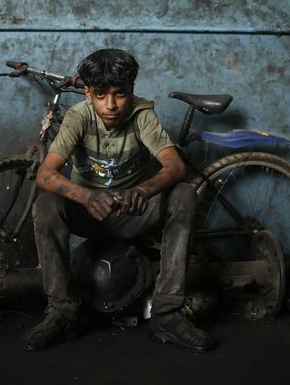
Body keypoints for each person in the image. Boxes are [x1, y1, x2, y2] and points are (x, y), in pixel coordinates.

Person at [22, 48, 212, 353]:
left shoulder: (142, 115)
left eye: (119, 94)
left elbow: (175, 166)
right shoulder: (79, 116)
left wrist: (142, 191)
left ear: (131, 90)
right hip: (89, 213)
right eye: (100, 94)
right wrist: (85, 196)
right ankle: (62, 313)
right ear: (87, 93)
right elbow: (45, 175)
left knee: (185, 194)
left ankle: (166, 313)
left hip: (133, 212)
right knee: (46, 205)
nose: (110, 104)